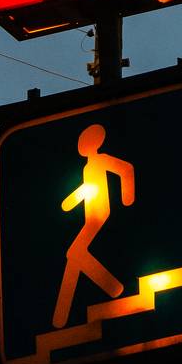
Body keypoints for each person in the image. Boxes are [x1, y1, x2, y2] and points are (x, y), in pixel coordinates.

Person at [52, 124, 135, 328]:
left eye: (85, 141)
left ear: (96, 142)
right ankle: (64, 312)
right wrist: (71, 201)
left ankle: (112, 287)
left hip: (99, 214)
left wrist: (127, 198)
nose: (81, 146)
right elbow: (87, 187)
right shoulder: (87, 168)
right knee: (75, 255)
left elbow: (125, 169)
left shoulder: (102, 159)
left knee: (74, 252)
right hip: (90, 217)